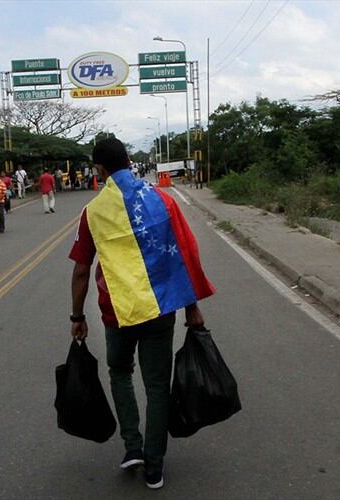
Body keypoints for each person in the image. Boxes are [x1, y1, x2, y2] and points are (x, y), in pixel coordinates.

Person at [68, 138, 215, 490]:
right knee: (156, 385)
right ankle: (154, 466)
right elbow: (185, 252)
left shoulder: (93, 212)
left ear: (99, 169)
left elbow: (81, 271)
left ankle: (132, 446)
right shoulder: (162, 199)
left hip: (117, 312)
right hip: (159, 308)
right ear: (129, 161)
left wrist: (77, 317)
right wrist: (192, 305)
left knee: (120, 371)